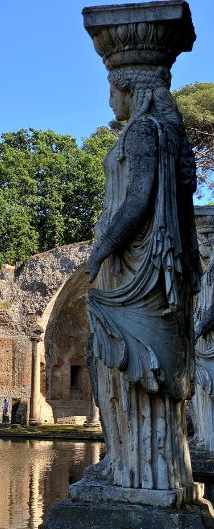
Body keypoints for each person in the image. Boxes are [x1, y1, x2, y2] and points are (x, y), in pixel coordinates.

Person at [85, 63, 200, 495]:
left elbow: (134, 205)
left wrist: (98, 254)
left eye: (111, 90)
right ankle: (142, 470)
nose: (108, 101)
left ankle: (131, 473)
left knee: (116, 364)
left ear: (128, 88)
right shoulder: (163, 133)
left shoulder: (140, 132)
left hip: (134, 272)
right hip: (147, 269)